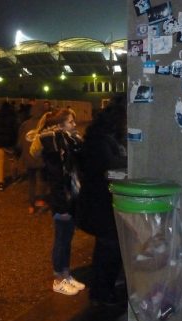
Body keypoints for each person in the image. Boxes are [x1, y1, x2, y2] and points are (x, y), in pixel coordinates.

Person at [76, 95, 127, 306]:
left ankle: (103, 290)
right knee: (109, 248)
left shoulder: (105, 136)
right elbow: (108, 165)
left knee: (108, 247)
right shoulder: (101, 139)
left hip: (102, 201)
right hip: (100, 203)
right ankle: (101, 293)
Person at [31, 108, 85, 295]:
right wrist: (63, 203)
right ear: (60, 125)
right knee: (61, 240)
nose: (74, 125)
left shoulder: (66, 143)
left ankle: (66, 274)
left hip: (69, 198)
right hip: (62, 199)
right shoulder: (54, 146)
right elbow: (58, 178)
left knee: (67, 239)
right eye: (71, 122)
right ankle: (58, 280)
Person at [17, 103, 49, 214]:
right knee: (43, 179)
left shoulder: (25, 125)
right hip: (41, 157)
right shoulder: (45, 125)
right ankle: (41, 200)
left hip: (29, 158)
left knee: (31, 181)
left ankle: (31, 205)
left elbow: (20, 144)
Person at [0, 101, 19, 191]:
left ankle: (0, 183)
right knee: (13, 160)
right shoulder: (12, 118)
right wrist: (14, 142)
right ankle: (14, 177)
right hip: (9, 144)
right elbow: (15, 131)